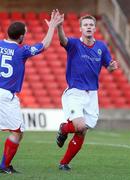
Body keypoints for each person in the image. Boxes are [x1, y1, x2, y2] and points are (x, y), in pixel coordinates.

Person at [0, 11, 62, 174]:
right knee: (18, 131)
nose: (25, 37)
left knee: (16, 131)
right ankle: (4, 166)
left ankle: (5, 165)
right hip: (6, 96)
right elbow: (45, 45)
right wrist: (52, 27)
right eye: (25, 34)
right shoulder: (22, 51)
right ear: (20, 37)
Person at [55, 10, 118, 171]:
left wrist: (111, 66)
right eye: (85, 25)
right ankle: (64, 128)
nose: (88, 27)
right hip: (75, 92)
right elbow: (63, 41)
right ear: (81, 28)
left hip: (92, 94)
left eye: (91, 25)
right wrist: (60, 27)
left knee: (83, 132)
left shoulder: (101, 47)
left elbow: (108, 65)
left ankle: (64, 163)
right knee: (80, 126)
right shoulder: (75, 44)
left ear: (94, 28)